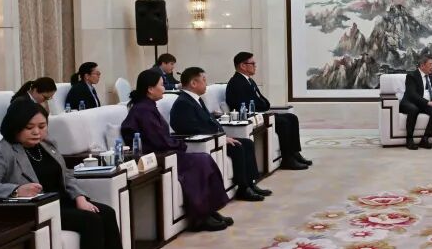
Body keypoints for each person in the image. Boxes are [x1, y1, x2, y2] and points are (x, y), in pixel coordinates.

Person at [0, 100, 139, 249]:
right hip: (41, 209)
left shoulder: (47, 145)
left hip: (64, 201)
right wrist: (16, 190)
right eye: (29, 127)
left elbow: (67, 175)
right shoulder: (0, 151)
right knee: (91, 220)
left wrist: (79, 197)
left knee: (106, 212)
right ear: (14, 126)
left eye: (42, 126)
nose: (37, 132)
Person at [120, 69, 232, 232]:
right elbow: (158, 140)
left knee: (204, 159)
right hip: (158, 156)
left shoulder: (148, 106)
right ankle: (200, 217)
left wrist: (177, 144)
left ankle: (209, 210)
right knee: (201, 162)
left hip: (167, 152)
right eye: (161, 85)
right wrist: (180, 145)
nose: (164, 88)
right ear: (150, 89)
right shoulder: (143, 110)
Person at [170, 66, 270, 202]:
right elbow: (189, 127)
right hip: (206, 142)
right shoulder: (183, 102)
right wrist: (220, 138)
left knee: (247, 143)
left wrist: (223, 136)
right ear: (193, 83)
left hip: (216, 138)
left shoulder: (195, 99)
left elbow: (208, 121)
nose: (206, 83)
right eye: (203, 80)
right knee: (238, 147)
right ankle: (243, 188)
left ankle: (251, 183)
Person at [226, 52, 310, 170]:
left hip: (260, 113)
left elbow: (261, 100)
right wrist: (263, 106)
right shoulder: (236, 83)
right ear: (243, 66)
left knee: (292, 117)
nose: (255, 66)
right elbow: (244, 105)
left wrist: (264, 105)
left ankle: (295, 153)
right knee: (283, 122)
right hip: (252, 118)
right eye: (252, 63)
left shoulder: (249, 81)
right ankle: (287, 159)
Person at [399, 55, 432, 150]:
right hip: (410, 102)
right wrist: (428, 103)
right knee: (413, 109)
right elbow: (412, 94)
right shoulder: (411, 76)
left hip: (424, 104)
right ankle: (409, 139)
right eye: (430, 64)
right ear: (422, 65)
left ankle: (425, 139)